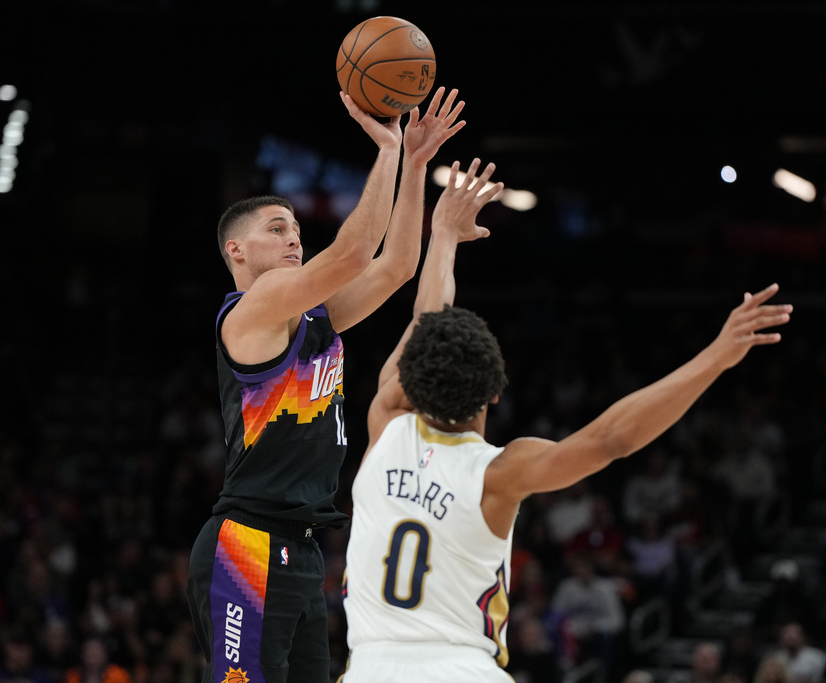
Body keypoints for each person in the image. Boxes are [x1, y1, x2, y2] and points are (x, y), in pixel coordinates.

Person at [340, 155, 794, 681]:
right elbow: (612, 440)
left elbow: (425, 322)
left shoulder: (387, 420)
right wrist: (715, 357)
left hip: (369, 667)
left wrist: (442, 236)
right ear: (494, 395)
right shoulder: (497, 473)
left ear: (411, 379)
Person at [185, 85, 467, 683]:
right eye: (277, 229)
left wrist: (415, 165)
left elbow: (395, 266)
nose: (294, 238)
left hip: (304, 548)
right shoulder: (251, 309)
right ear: (236, 250)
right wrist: (388, 148)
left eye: (296, 230)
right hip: (249, 543)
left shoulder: (313, 317)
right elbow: (357, 249)